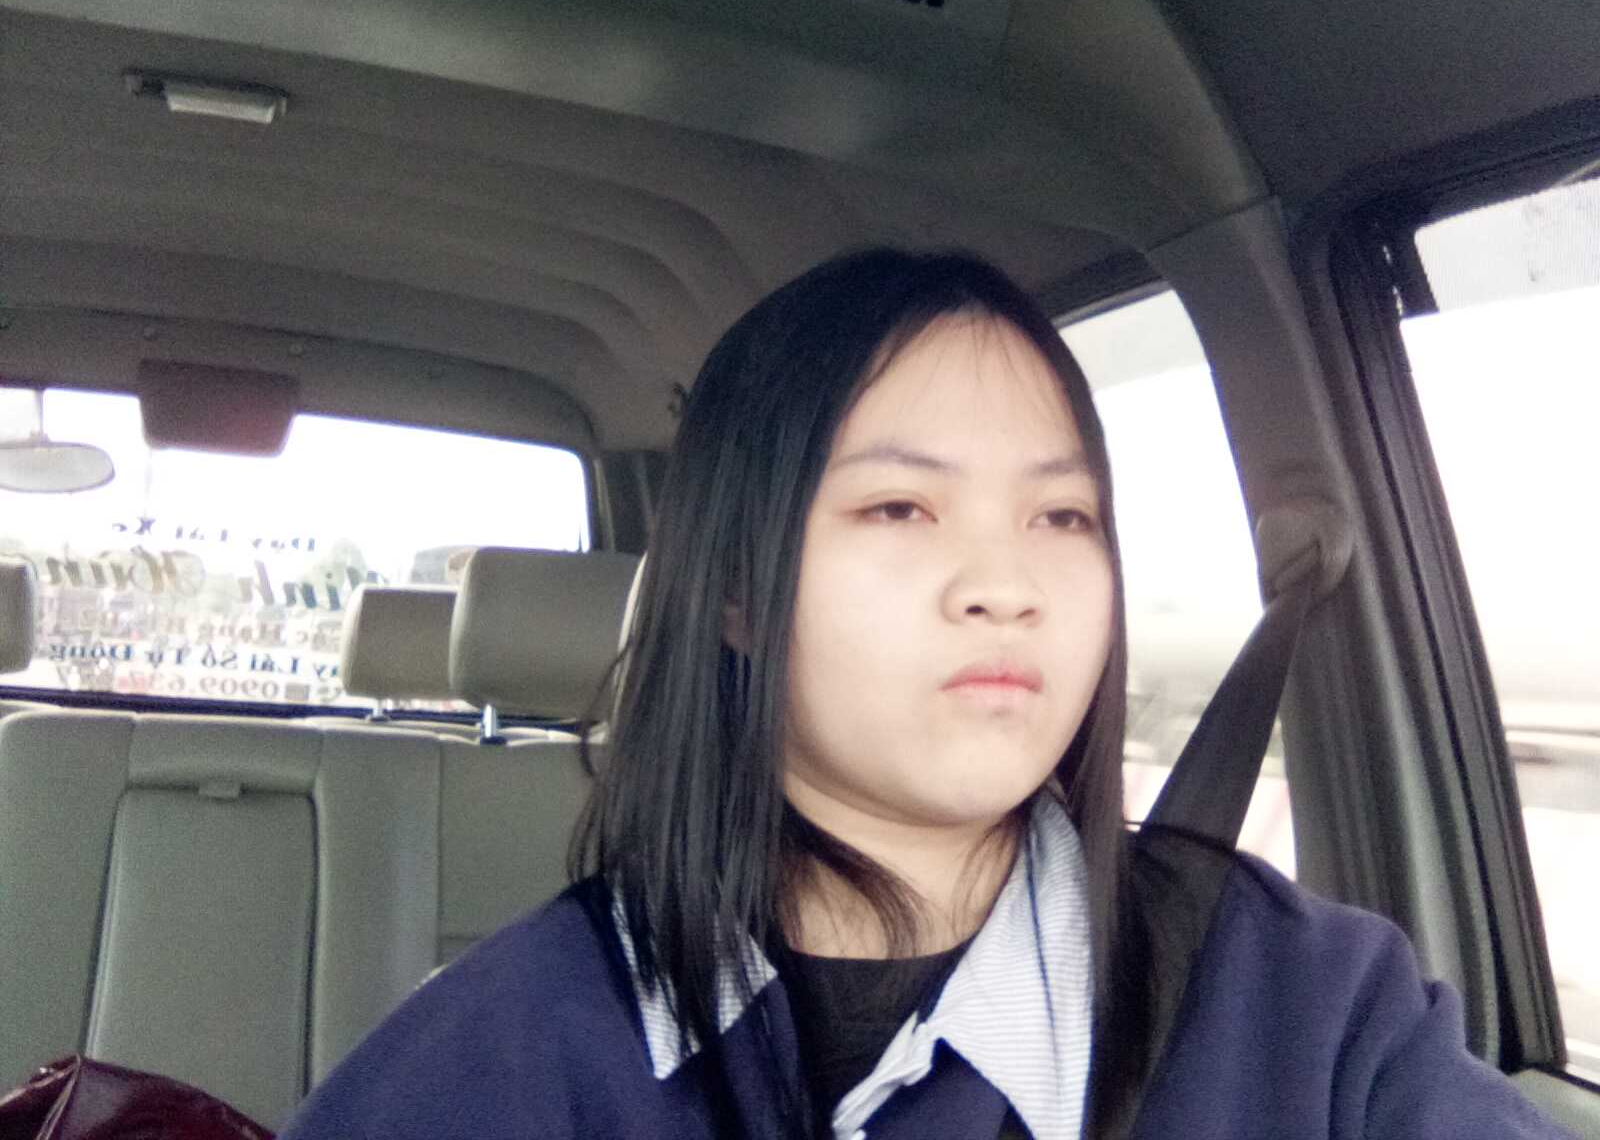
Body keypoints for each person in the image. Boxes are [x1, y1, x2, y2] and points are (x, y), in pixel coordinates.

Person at [279, 250, 1574, 1139]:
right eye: (901, 507)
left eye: (1062, 516)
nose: (1005, 585)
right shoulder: (505, 1057)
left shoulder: (1306, 1007)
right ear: (737, 588)